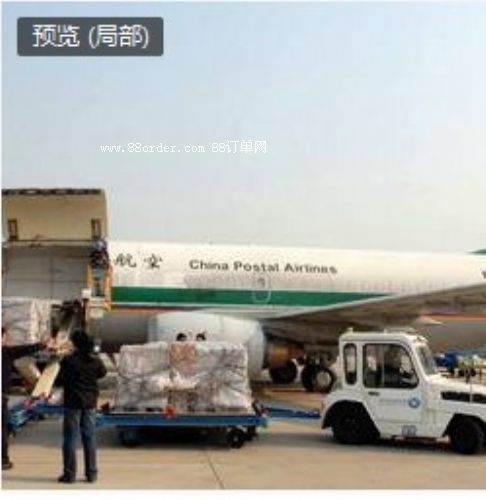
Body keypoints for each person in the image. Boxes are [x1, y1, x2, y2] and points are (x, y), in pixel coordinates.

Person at [57, 329, 107, 483]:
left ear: (75, 344)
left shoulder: (68, 361)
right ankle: (91, 474)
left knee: (70, 438)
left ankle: (69, 474)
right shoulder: (95, 361)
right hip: (90, 402)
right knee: (89, 437)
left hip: (73, 402)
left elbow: (59, 380)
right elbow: (103, 373)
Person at [2, 326, 45, 470]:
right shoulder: (6, 352)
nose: (8, 339)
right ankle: (3, 460)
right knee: (2, 429)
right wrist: (44, 344)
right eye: (5, 336)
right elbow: (26, 349)